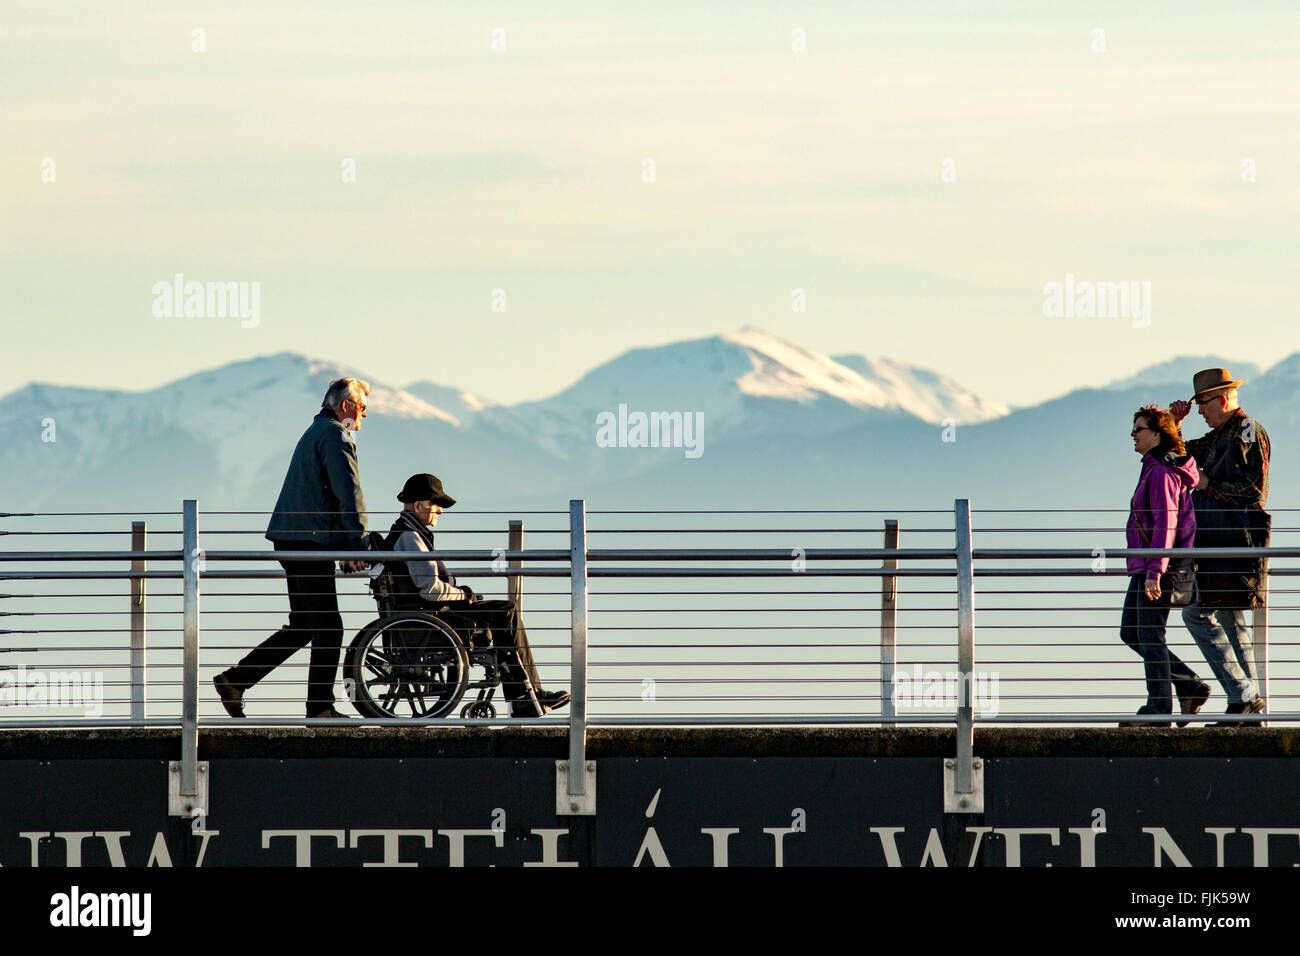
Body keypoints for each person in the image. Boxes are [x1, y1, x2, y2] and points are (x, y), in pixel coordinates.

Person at [213, 377, 379, 719]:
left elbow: (325, 495)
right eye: (362, 408)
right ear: (346, 406)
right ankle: (319, 708)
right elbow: (348, 494)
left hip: (293, 537)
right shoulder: (337, 435)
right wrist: (359, 546)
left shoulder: (317, 431)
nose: (364, 415)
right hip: (308, 542)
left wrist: (345, 547)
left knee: (305, 624)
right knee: (329, 627)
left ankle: (236, 680)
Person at [382, 473, 570, 718]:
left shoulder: (406, 533)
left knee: (500, 613)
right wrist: (465, 595)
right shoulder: (410, 537)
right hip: (429, 616)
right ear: (418, 506)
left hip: (421, 614)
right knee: (506, 612)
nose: (440, 511)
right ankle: (526, 695)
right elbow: (430, 590)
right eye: (436, 504)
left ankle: (523, 695)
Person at [1170, 369, 1270, 723]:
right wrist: (1175, 425)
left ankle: (1243, 695)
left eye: (1203, 403)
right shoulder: (1221, 435)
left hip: (1234, 542)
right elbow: (1181, 457)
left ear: (1223, 399)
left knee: (1196, 613)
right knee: (1230, 619)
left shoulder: (1247, 431)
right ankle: (1249, 707)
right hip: (1220, 542)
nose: (1200, 410)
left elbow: (1254, 491)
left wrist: (1207, 485)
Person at [1119, 405, 1210, 727]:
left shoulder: (1161, 472)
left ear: (1156, 435)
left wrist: (1155, 572)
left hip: (1158, 567)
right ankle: (1189, 686)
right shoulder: (1155, 466)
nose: (1132, 434)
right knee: (1132, 632)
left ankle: (1158, 710)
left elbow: (1166, 523)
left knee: (1149, 634)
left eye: (1139, 429)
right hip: (1148, 565)